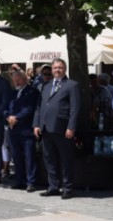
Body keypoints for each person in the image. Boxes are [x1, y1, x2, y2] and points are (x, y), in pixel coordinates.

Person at [33, 58, 80, 199]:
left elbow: (75, 108)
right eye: (55, 68)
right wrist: (36, 124)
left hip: (63, 129)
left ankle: (67, 188)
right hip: (46, 128)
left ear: (65, 69)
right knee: (49, 159)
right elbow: (39, 107)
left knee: (66, 159)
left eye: (60, 67)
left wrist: (71, 127)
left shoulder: (72, 85)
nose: (57, 70)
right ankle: (53, 186)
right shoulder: (45, 86)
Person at [5, 67, 40, 192]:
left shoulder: (32, 92)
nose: (17, 82)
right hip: (13, 129)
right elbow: (6, 108)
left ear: (25, 79)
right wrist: (8, 117)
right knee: (16, 156)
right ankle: (19, 180)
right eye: (15, 80)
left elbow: (29, 109)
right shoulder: (13, 93)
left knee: (29, 156)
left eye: (19, 79)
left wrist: (15, 118)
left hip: (26, 129)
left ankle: (31, 182)